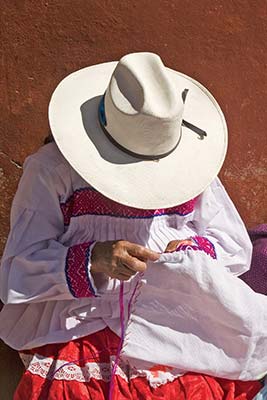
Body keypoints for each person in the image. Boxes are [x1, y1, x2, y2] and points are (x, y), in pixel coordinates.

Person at [0, 52, 264, 399]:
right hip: (83, 324)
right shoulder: (53, 171)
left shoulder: (192, 169)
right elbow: (17, 271)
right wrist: (95, 259)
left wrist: (189, 254)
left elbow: (233, 245)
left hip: (176, 325)